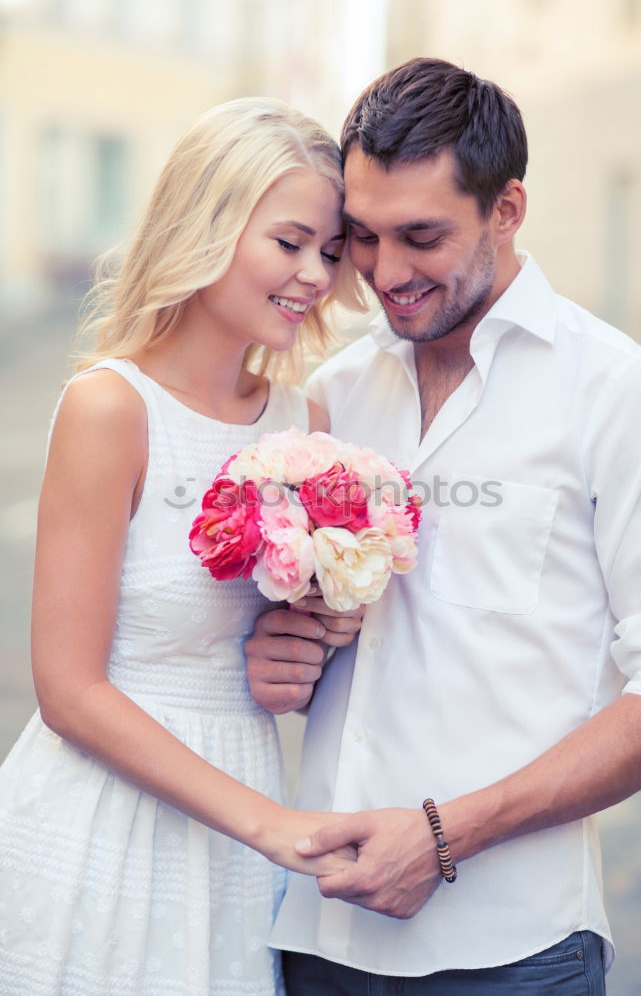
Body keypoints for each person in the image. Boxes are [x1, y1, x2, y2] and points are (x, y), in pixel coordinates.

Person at [246, 59, 641, 994]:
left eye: (422, 236)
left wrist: (442, 837)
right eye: (362, 236)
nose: (385, 273)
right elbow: (316, 634)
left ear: (507, 209)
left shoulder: (619, 393)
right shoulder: (332, 396)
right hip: (316, 935)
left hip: (512, 951)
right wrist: (285, 650)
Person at [0, 98, 365, 996]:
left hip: (238, 838)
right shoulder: (109, 408)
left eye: (329, 250)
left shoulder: (305, 420)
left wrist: (318, 638)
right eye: (289, 243)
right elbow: (68, 690)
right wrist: (268, 824)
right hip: (106, 821)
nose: (314, 274)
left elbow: (289, 639)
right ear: (207, 224)